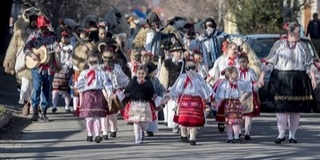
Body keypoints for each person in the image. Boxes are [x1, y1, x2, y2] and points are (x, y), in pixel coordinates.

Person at [257, 22, 317, 144]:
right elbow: (269, 61)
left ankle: (292, 135)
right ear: (290, 32)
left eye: (300, 31)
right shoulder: (279, 45)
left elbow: (309, 63)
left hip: (298, 78)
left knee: (295, 109)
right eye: (297, 31)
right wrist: (261, 77)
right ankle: (281, 134)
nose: (299, 33)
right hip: (282, 78)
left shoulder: (303, 46)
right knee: (282, 108)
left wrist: (313, 77)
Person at [167, 55, 214, 145]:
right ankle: (184, 134)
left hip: (194, 101)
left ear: (196, 68)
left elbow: (204, 88)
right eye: (189, 67)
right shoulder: (184, 77)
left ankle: (192, 138)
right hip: (186, 100)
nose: (191, 69)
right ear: (186, 68)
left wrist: (208, 97)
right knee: (184, 119)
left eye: (192, 67)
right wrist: (172, 94)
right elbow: (178, 88)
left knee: (192, 120)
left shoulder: (198, 78)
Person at [23, 15, 60, 121]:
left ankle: (43, 112)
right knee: (37, 87)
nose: (43, 29)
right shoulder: (34, 35)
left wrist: (57, 48)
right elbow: (26, 47)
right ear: (38, 27)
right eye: (41, 27)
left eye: (44, 27)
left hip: (49, 67)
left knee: (47, 89)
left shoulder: (53, 35)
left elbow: (56, 46)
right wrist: (31, 54)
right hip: (37, 66)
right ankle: (34, 112)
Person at [75, 53, 113, 143]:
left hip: (98, 94)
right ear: (88, 62)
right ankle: (89, 134)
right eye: (91, 62)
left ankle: (97, 134)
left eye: (95, 62)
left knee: (97, 116)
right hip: (87, 94)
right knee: (88, 117)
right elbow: (79, 85)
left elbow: (107, 84)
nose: (93, 64)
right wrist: (80, 95)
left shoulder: (102, 73)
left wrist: (110, 93)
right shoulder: (84, 73)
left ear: (98, 62)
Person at [215, 67, 259, 143]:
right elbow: (220, 93)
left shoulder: (239, 82)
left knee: (236, 121)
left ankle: (236, 136)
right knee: (228, 122)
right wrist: (219, 100)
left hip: (236, 103)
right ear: (230, 74)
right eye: (236, 73)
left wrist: (255, 86)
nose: (237, 74)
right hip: (227, 104)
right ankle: (230, 137)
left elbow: (247, 85)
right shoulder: (224, 83)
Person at [207, 41, 238, 132]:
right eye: (233, 49)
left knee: (233, 104)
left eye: (236, 49)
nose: (235, 51)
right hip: (223, 84)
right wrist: (206, 83)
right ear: (228, 50)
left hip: (234, 84)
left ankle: (234, 125)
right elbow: (213, 72)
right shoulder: (220, 60)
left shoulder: (237, 61)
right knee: (221, 103)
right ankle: (221, 121)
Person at [122, 65, 157, 144]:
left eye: (143, 73)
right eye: (139, 73)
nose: (141, 75)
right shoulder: (133, 82)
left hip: (145, 104)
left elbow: (152, 92)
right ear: (136, 73)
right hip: (135, 104)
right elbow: (127, 90)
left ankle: (142, 131)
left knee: (144, 123)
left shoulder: (148, 82)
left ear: (146, 74)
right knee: (136, 122)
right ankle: (137, 137)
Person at [100, 49, 130, 140]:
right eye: (105, 57)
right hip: (102, 91)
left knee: (112, 112)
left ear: (113, 57)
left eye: (109, 57)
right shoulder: (99, 68)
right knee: (103, 113)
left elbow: (123, 79)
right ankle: (104, 131)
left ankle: (113, 129)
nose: (107, 60)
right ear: (102, 57)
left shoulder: (117, 67)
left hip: (114, 91)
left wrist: (127, 87)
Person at [158, 42, 186, 133]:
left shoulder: (185, 63)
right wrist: (164, 89)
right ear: (173, 53)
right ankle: (174, 124)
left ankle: (182, 124)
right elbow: (164, 77)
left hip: (183, 88)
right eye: (176, 52)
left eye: (180, 52)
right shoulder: (167, 63)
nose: (178, 54)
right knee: (172, 107)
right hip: (172, 87)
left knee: (182, 107)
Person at [237, 54, 260, 140]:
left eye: (244, 62)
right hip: (239, 95)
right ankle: (238, 132)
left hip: (250, 95)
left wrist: (256, 93)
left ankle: (247, 132)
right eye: (240, 62)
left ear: (247, 62)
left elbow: (255, 82)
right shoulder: (237, 72)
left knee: (248, 116)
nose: (242, 64)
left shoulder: (251, 71)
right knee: (239, 115)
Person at [51, 31, 73, 113]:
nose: (64, 38)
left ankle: (67, 106)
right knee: (56, 88)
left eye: (66, 37)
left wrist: (68, 65)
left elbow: (72, 58)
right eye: (63, 37)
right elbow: (52, 56)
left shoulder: (71, 47)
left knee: (66, 89)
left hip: (67, 69)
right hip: (58, 69)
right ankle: (54, 106)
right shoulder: (57, 45)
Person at [145, 62, 167, 137]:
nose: (156, 72)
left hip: (154, 99)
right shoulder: (145, 80)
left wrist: (164, 91)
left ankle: (151, 129)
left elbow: (160, 87)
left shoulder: (155, 79)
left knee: (154, 115)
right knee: (147, 115)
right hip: (147, 99)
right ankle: (146, 128)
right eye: (154, 70)